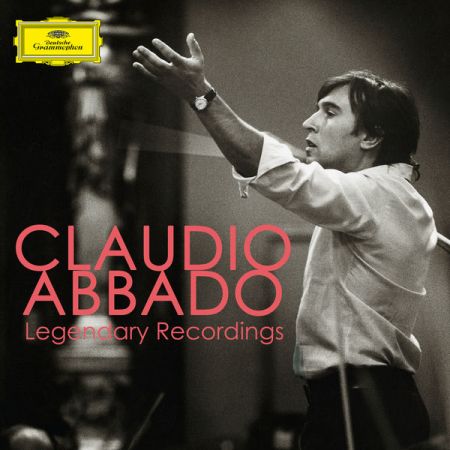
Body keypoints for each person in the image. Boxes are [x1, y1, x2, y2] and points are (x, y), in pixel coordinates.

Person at [132, 34, 437, 450]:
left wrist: (200, 95)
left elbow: (274, 170)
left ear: (370, 137)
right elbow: (286, 170)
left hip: (366, 407)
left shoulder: (378, 195)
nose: (309, 122)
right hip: (351, 403)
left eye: (330, 112)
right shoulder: (380, 197)